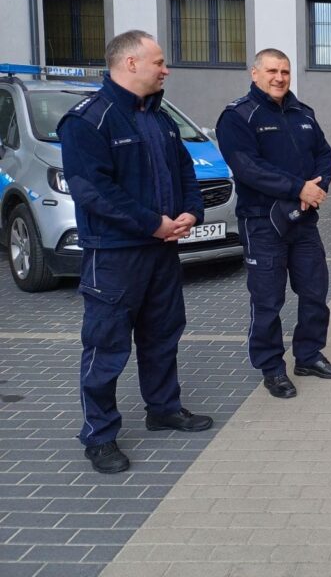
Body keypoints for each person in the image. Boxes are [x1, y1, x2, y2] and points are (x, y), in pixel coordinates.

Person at [58, 30, 213, 474]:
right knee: (105, 345)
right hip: (115, 255)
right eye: (159, 62)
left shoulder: (159, 117)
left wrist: (192, 211)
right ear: (130, 63)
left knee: (163, 334)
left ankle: (163, 409)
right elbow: (94, 192)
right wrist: (152, 223)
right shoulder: (88, 121)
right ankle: (99, 435)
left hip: (161, 252)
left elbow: (184, 170)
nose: (166, 70)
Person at [216, 48, 331, 399]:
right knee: (268, 300)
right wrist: (298, 188)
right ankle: (272, 368)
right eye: (272, 70)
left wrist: (317, 188)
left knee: (315, 291)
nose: (280, 77)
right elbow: (248, 168)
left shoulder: (303, 113)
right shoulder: (238, 116)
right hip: (262, 223)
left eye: (285, 71)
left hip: (303, 220)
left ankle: (309, 355)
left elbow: (324, 155)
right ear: (255, 73)